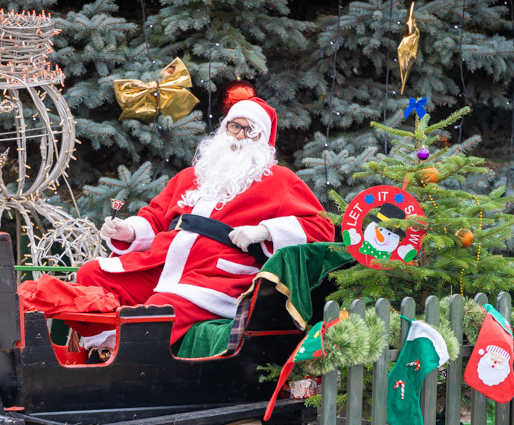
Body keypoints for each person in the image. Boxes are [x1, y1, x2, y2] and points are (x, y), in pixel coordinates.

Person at [72, 97, 334, 355]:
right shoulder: (190, 176)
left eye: (251, 130)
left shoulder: (279, 180)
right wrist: (128, 232)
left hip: (216, 278)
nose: (240, 136)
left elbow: (322, 228)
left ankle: (122, 363)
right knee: (92, 273)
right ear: (224, 129)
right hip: (162, 266)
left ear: (262, 140)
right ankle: (103, 349)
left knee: (159, 310)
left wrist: (264, 232)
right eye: (235, 126)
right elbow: (156, 218)